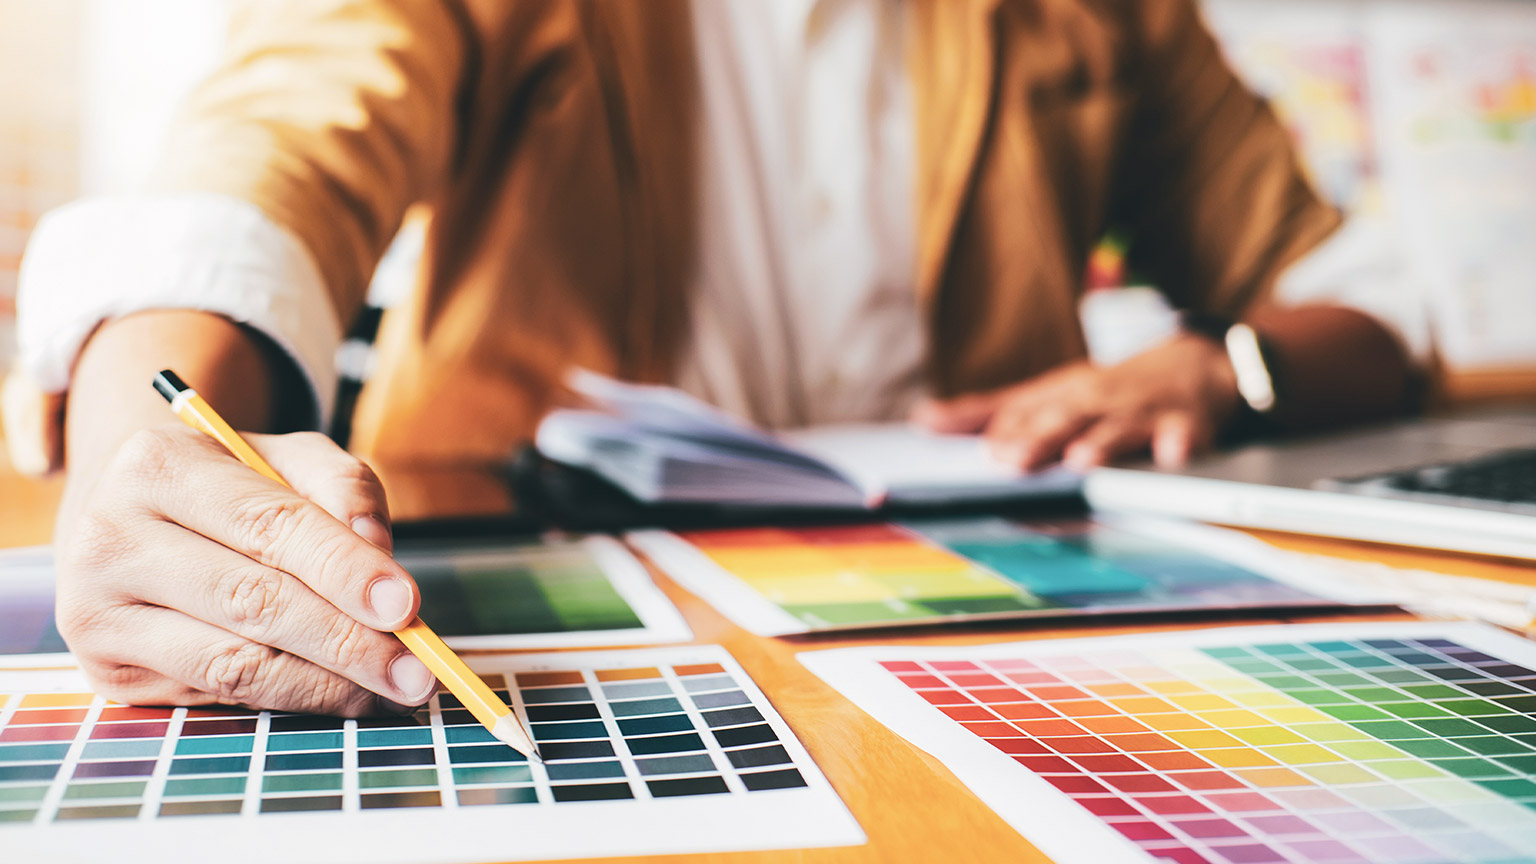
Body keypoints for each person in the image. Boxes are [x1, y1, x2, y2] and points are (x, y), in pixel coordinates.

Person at [10, 0, 1414, 717]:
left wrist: (1226, 368)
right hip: (525, 583)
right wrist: (151, 431)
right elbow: (274, 152)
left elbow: (1365, 304)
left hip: (982, 609)